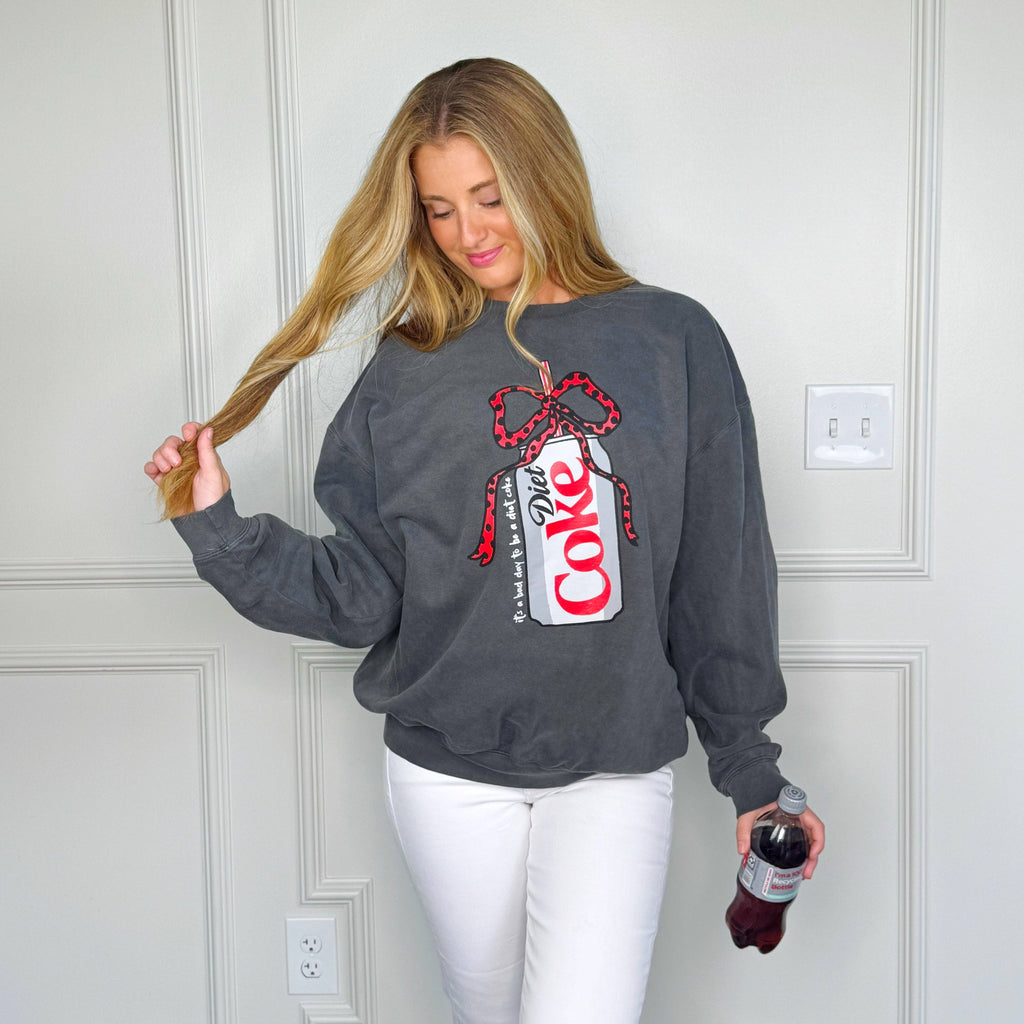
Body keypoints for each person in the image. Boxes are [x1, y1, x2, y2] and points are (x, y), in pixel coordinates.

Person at [145, 58, 824, 1024]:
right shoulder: (409, 367)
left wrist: (752, 769)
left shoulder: (673, 340)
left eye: (490, 197)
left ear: (546, 178)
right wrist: (217, 524)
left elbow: (720, 577)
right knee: (486, 1011)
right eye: (438, 209)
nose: (469, 234)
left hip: (613, 769)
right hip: (446, 774)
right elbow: (364, 592)